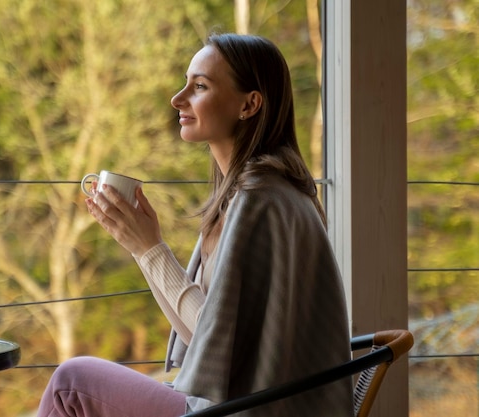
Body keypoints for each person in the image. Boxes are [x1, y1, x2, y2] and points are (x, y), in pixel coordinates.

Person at [36, 33, 353, 417]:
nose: (178, 98)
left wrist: (152, 251)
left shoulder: (261, 199)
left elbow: (214, 342)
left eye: (200, 86)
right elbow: (209, 340)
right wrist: (142, 247)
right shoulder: (261, 192)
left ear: (249, 104)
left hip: (241, 411)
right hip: (249, 404)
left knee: (72, 381)